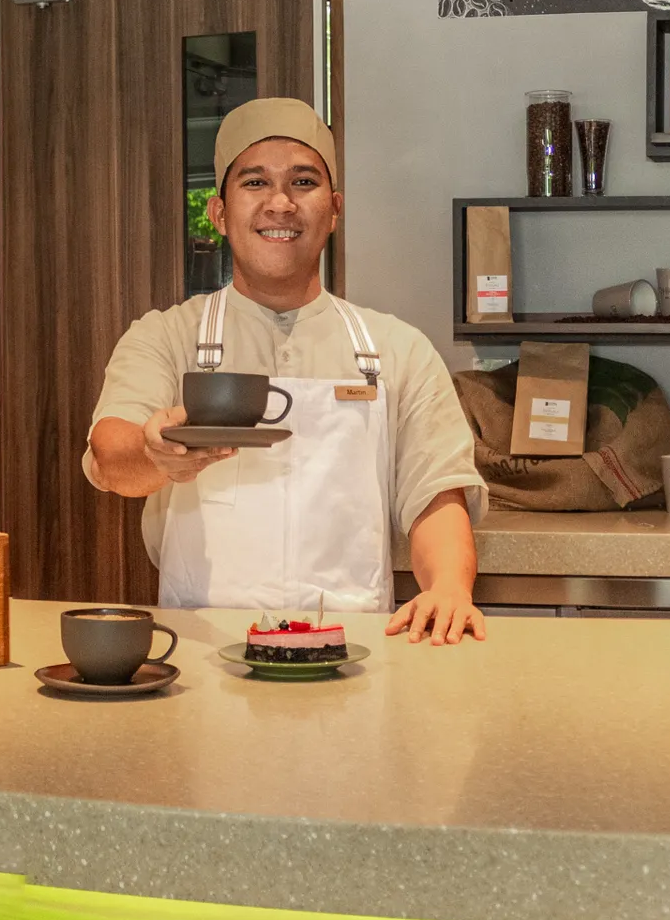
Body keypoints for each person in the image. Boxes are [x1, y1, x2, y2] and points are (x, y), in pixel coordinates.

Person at [84, 97, 488, 644]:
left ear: (334, 210)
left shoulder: (399, 350)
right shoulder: (166, 337)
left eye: (303, 182)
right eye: (255, 182)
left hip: (356, 651)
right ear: (219, 213)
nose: (280, 203)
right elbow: (111, 457)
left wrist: (449, 588)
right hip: (204, 654)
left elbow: (436, 496)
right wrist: (158, 454)